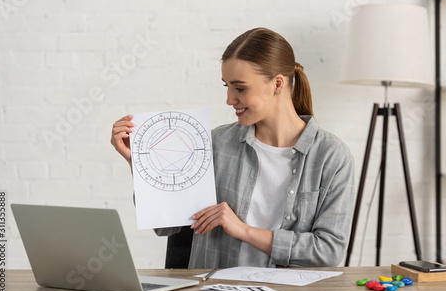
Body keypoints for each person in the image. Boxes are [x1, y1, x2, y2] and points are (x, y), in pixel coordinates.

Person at [111, 27, 355, 269]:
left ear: (277, 84)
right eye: (226, 86)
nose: (229, 99)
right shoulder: (214, 144)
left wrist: (243, 230)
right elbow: (166, 226)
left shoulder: (331, 157)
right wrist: (140, 163)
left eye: (240, 88)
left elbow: (328, 251)